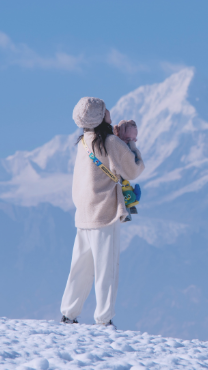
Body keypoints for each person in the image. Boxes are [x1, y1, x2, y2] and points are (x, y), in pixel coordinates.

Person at [60, 97, 145, 327]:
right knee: (106, 269)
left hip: (84, 214)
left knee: (80, 267)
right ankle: (104, 319)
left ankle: (69, 314)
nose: (109, 112)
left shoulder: (83, 142)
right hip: (104, 214)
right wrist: (130, 142)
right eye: (105, 110)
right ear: (99, 118)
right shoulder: (109, 142)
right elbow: (134, 169)